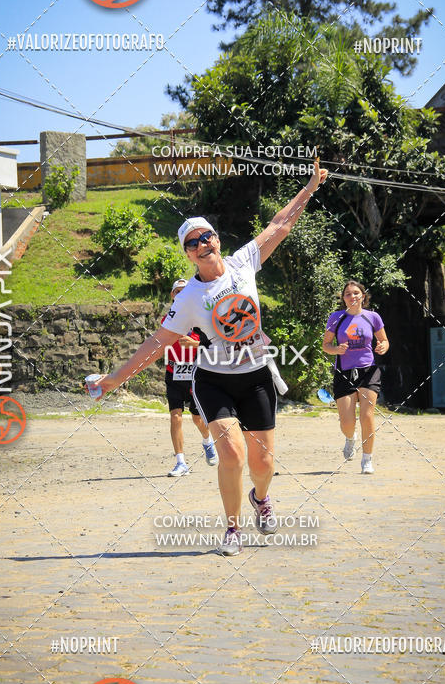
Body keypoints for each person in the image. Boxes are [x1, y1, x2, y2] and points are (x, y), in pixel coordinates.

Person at [95, 159, 327, 555]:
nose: (202, 245)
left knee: (263, 464)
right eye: (193, 242)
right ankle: (233, 529)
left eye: (207, 237)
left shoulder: (243, 264)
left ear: (218, 240)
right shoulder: (187, 298)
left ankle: (261, 498)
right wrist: (114, 379)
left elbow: (280, 225)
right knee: (233, 455)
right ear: (187, 254)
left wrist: (308, 188)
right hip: (213, 380)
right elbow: (157, 343)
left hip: (255, 376)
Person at [322, 280, 389, 474]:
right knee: (347, 423)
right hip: (344, 372)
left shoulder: (373, 317)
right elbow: (326, 345)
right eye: (348, 294)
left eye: (356, 293)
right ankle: (350, 438)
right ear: (344, 299)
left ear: (363, 296)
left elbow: (384, 340)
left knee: (367, 416)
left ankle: (367, 460)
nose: (352, 296)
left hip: (369, 371)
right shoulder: (336, 317)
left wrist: (383, 346)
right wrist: (336, 349)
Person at [163, 278, 218, 476]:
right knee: (175, 417)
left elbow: (212, 345)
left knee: (197, 419)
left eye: (184, 291)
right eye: (177, 291)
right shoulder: (167, 320)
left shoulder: (200, 320)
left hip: (196, 375)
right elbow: (159, 343)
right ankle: (181, 462)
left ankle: (207, 441)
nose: (180, 294)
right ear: (172, 295)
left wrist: (193, 344)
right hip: (173, 373)